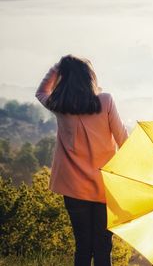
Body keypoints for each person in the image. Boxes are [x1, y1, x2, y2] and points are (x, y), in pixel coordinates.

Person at [35, 55, 129, 266]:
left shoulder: (60, 105)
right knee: (103, 248)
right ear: (89, 77)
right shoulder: (105, 101)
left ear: (64, 78)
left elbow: (41, 92)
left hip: (74, 190)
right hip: (105, 188)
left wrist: (59, 66)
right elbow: (124, 140)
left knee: (83, 246)